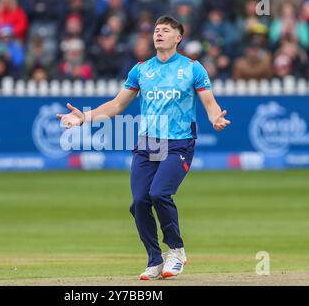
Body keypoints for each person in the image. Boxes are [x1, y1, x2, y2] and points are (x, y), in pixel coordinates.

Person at [57, 16, 230, 280]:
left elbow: (209, 102)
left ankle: (176, 250)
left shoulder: (192, 68)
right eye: (156, 30)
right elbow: (116, 105)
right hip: (147, 143)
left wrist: (215, 117)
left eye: (166, 30)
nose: (159, 34)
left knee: (159, 193)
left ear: (178, 38)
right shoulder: (141, 70)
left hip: (179, 142)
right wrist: (84, 117)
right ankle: (154, 259)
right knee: (139, 202)